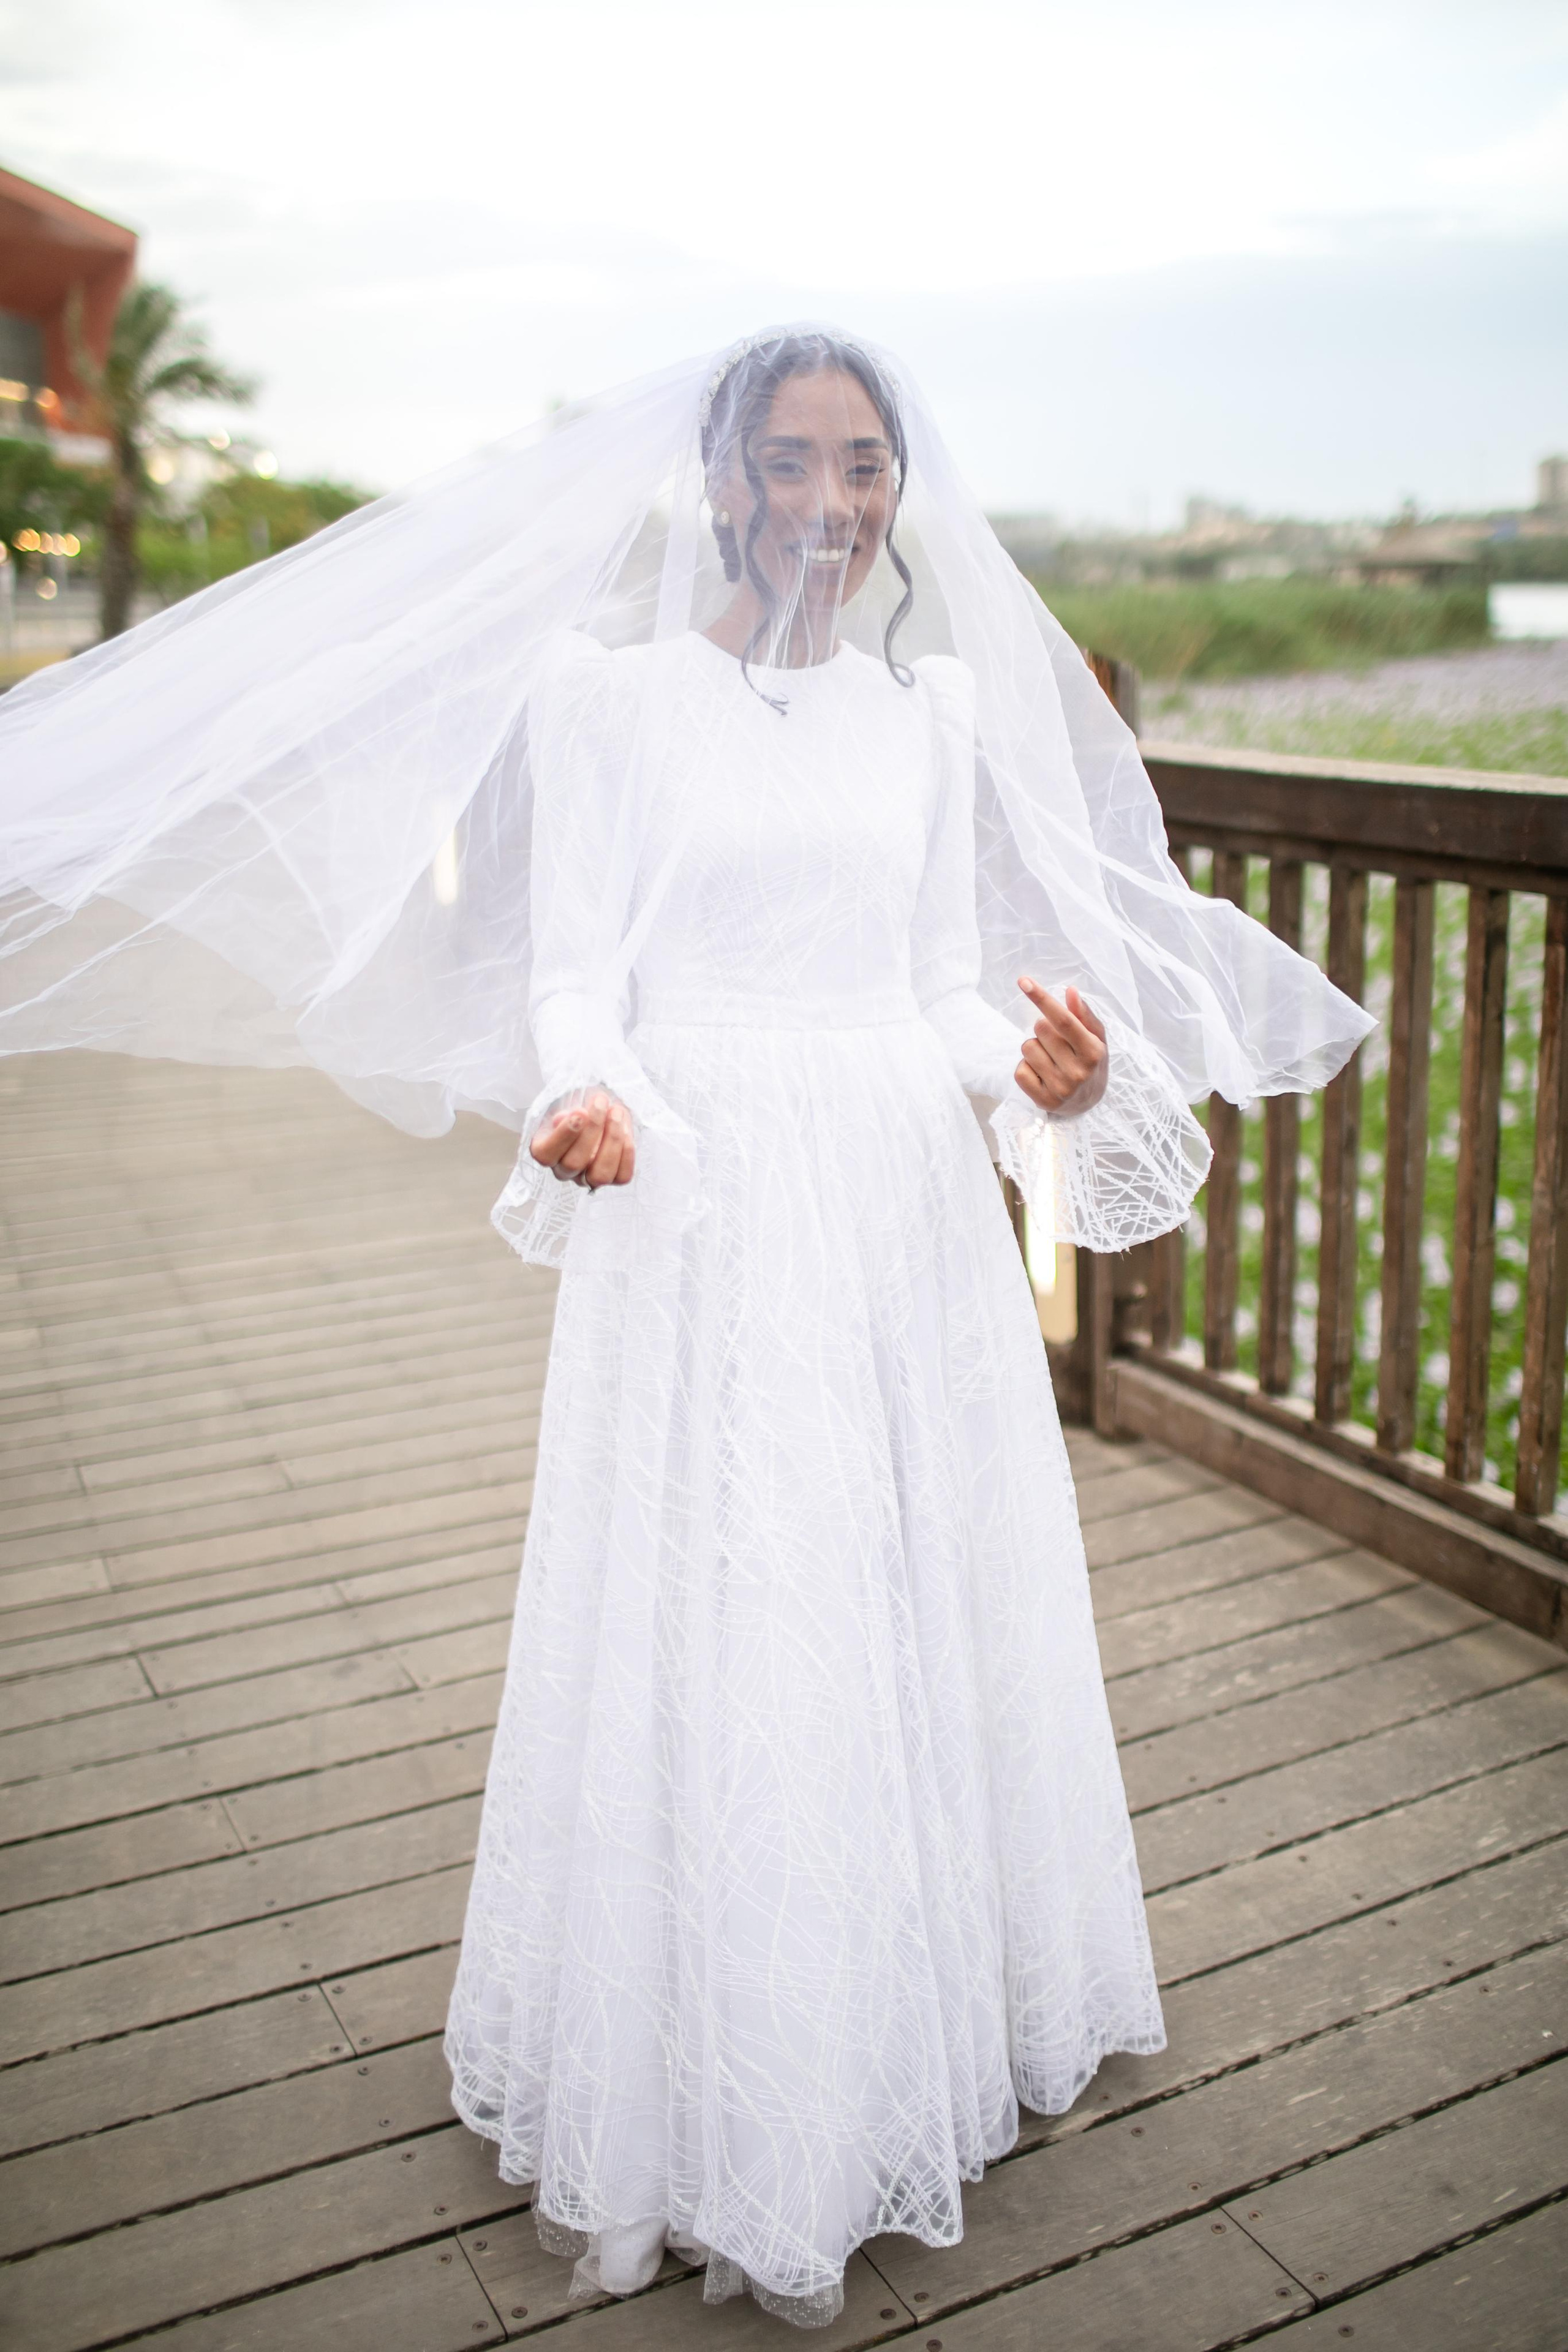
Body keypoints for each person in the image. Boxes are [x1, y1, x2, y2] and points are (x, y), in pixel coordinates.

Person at [0, 324, 1371, 2329]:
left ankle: (903, 2031)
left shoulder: (940, 709)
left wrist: (1040, 1079)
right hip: (708, 1205)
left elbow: (933, 990)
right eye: (797, 461)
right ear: (726, 480)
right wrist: (589, 1101)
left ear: (902, 490)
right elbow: (578, 986)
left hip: (899, 1214)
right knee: (727, 1610)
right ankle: (715, 2067)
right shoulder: (605, 700)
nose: (834, 498)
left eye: (868, 464)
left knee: (892, 1596)